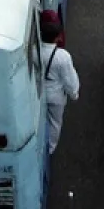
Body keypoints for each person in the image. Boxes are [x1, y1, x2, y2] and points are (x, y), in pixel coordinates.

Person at [38, 13, 79, 155]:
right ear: (57, 37)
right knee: (55, 123)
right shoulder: (62, 56)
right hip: (55, 96)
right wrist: (74, 93)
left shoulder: (34, 51)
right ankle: (50, 148)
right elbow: (69, 79)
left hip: (38, 92)